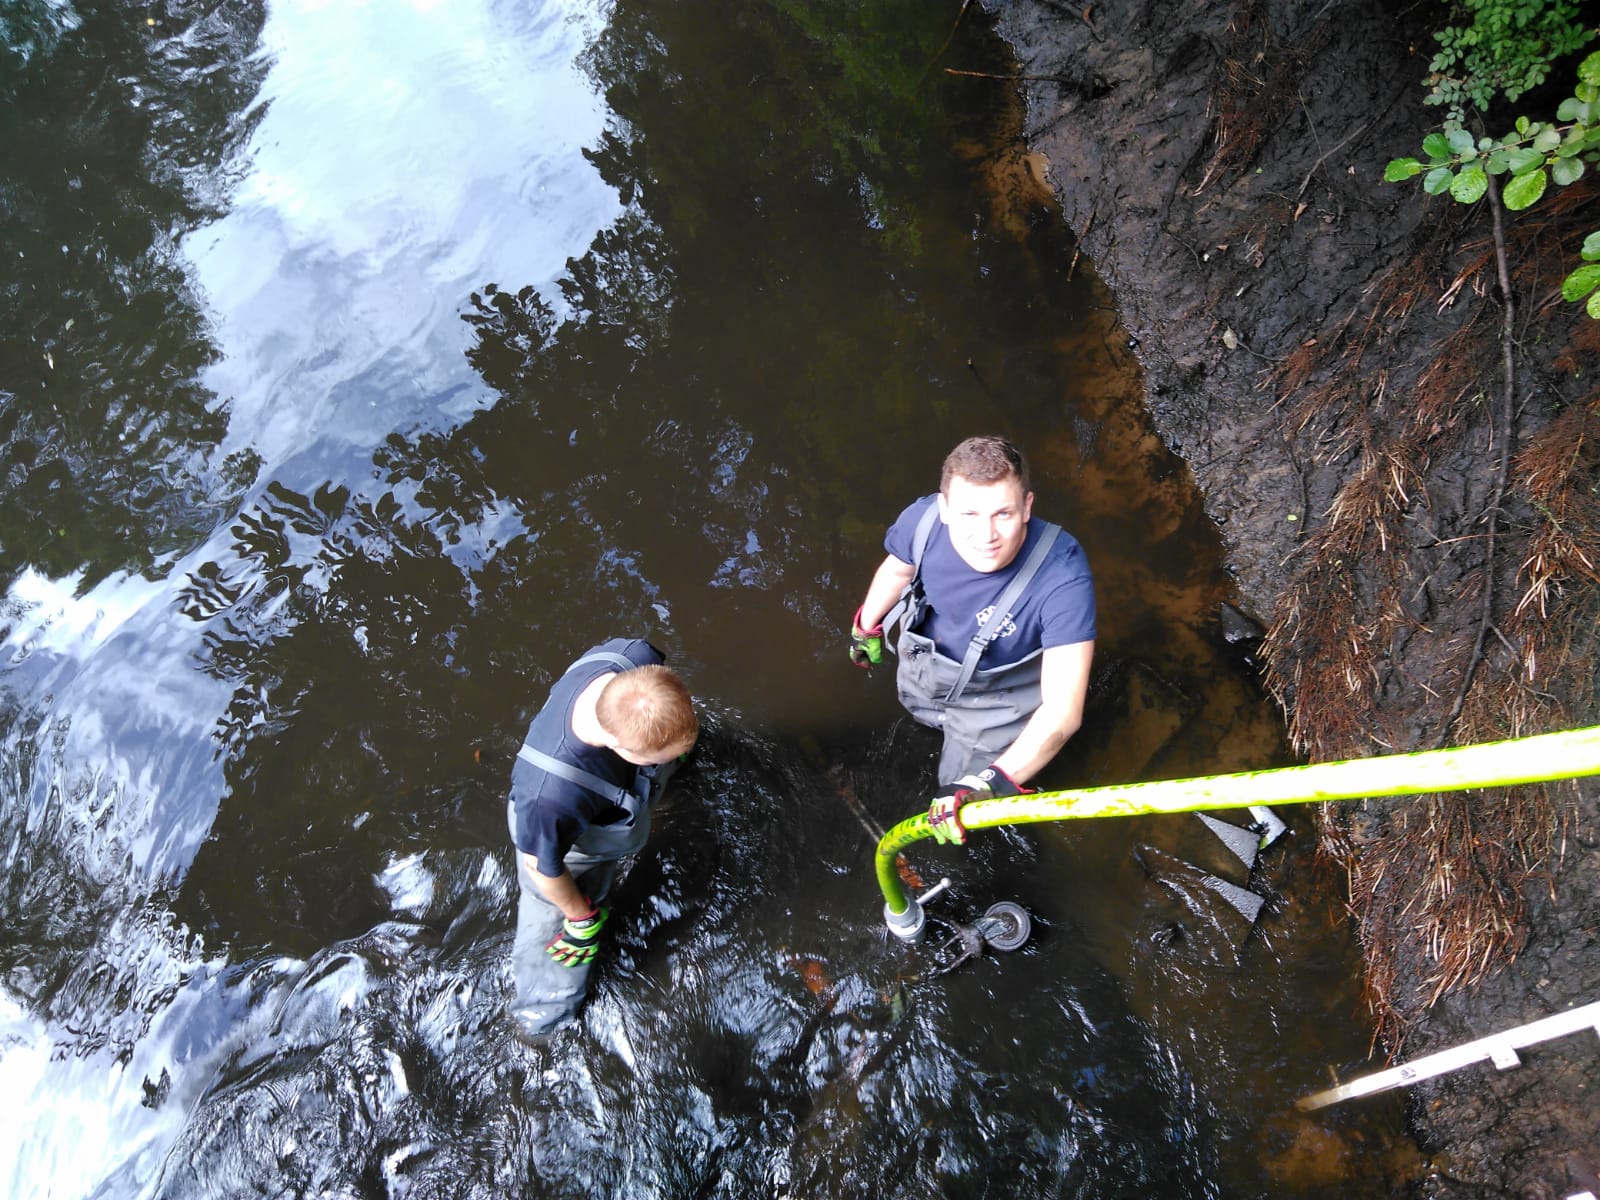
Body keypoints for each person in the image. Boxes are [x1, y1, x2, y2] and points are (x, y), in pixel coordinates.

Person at [848, 435, 1095, 846]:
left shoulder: (1063, 576)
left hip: (996, 697)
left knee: (958, 798)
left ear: (1027, 507)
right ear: (944, 508)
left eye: (1003, 514)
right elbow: (897, 571)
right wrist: (866, 627)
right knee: (918, 715)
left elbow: (1063, 711)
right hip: (930, 660)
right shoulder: (922, 521)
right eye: (969, 514)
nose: (986, 535)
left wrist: (989, 782)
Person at [506, 637, 697, 1038]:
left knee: (666, 758)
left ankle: (670, 758)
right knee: (555, 928)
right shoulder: (550, 798)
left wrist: (671, 751)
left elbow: (656, 721)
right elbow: (540, 868)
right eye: (654, 759)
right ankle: (543, 1019)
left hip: (615, 789)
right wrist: (580, 917)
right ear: (617, 745)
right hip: (564, 849)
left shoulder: (634, 656)